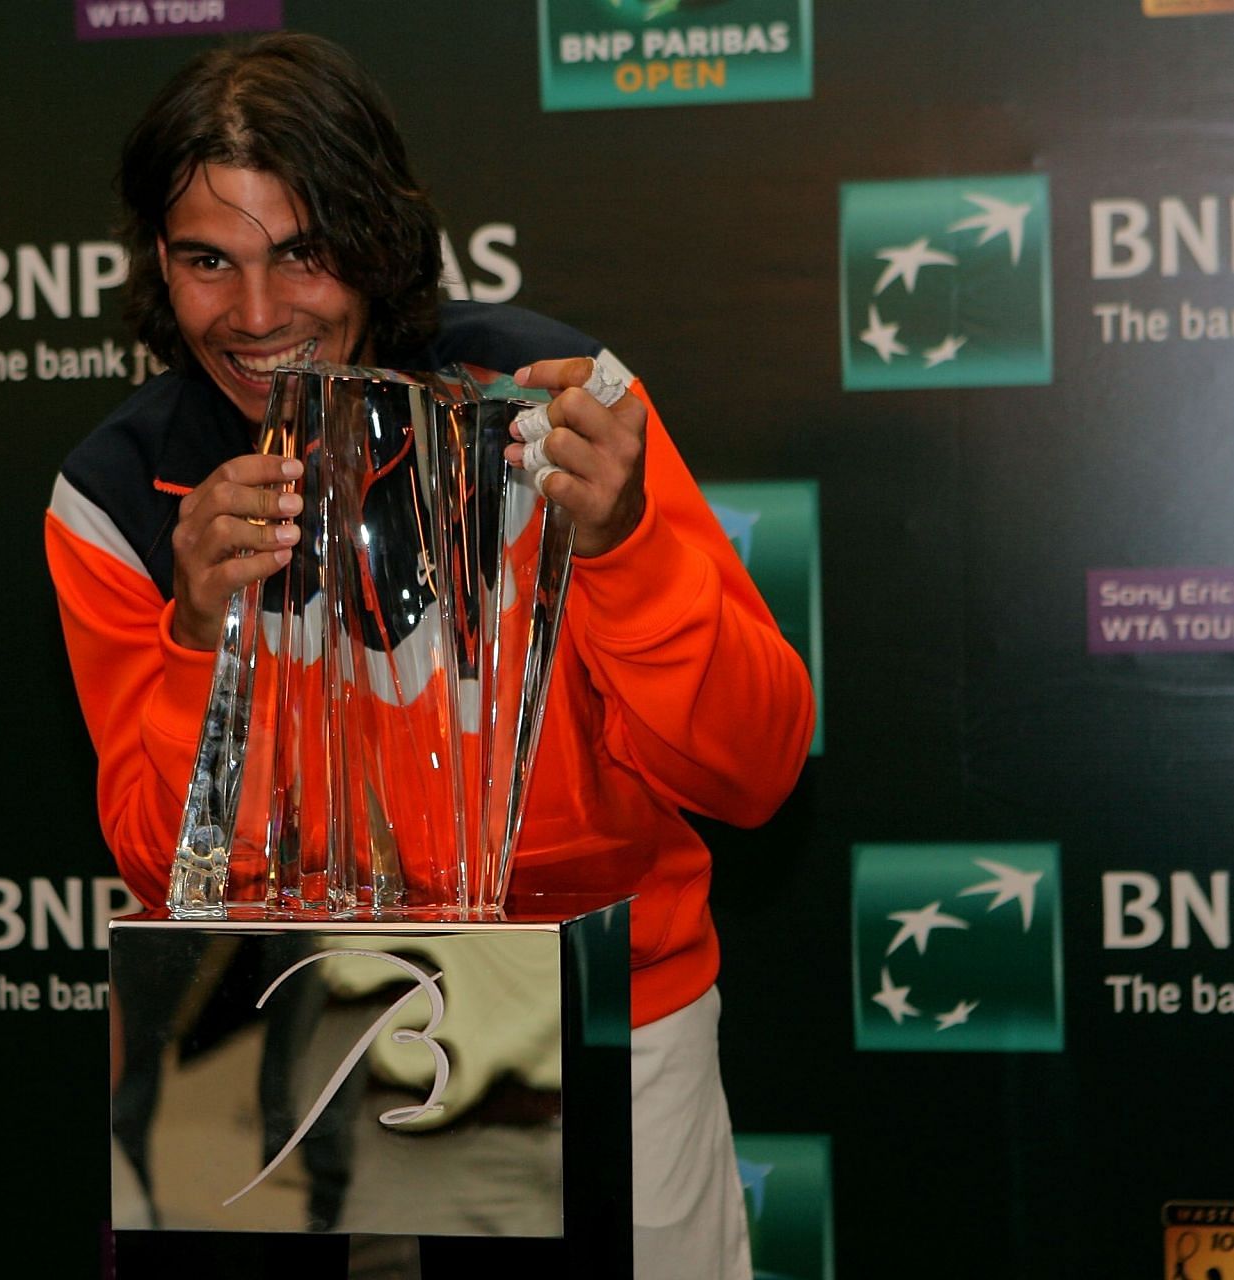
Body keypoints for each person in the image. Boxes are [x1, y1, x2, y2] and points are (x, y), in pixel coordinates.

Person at [46, 31, 814, 1277]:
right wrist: (197, 635)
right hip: (266, 1028)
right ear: (157, 265)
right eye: (207, 260)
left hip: (582, 1012)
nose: (254, 315)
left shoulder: (556, 404)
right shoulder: (120, 494)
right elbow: (162, 872)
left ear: (380, 233)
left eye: (301, 251)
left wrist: (621, 548)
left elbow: (757, 768)